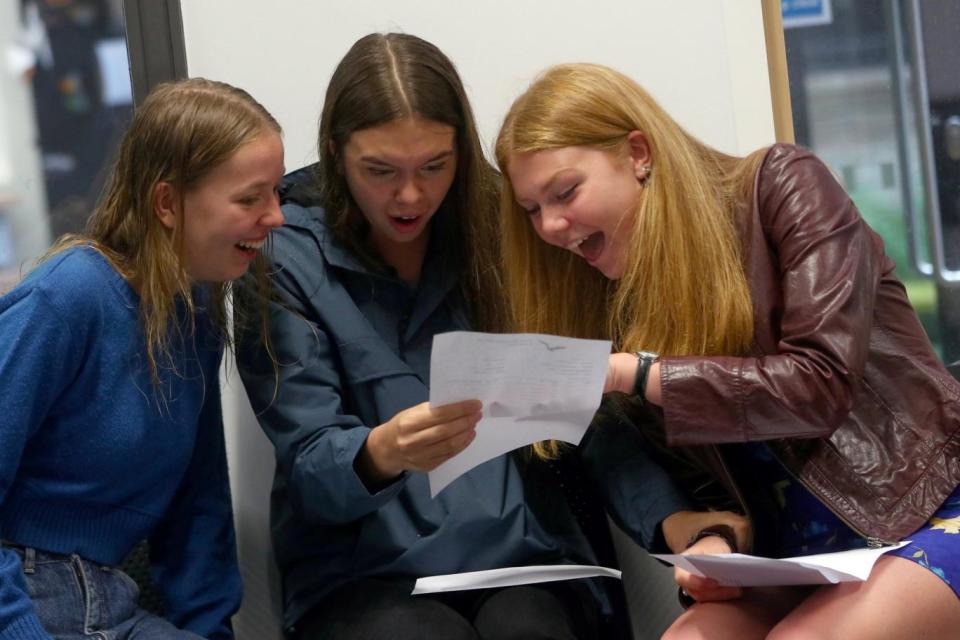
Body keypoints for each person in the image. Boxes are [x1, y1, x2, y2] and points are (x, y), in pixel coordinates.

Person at [235, 33, 746, 640]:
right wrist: (381, 453)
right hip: (360, 579)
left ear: (463, 153)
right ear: (336, 155)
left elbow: (585, 413)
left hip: (532, 562)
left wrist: (672, 521)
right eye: (380, 171)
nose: (410, 195)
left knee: (528, 630)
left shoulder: (506, 227)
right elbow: (310, 463)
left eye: (434, 166)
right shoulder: (284, 254)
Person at [494, 61, 960, 639]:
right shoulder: (609, 300)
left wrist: (633, 373)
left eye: (565, 192)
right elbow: (702, 478)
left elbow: (819, 384)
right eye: (531, 209)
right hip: (792, 558)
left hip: (926, 508)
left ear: (639, 153)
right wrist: (711, 539)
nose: (551, 226)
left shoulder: (782, 185)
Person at [0, 77, 285, 639]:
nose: (275, 216)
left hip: (108, 603)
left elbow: (196, 513)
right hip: (24, 597)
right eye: (251, 198)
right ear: (167, 203)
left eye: (275, 193)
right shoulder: (68, 296)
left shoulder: (196, 315)